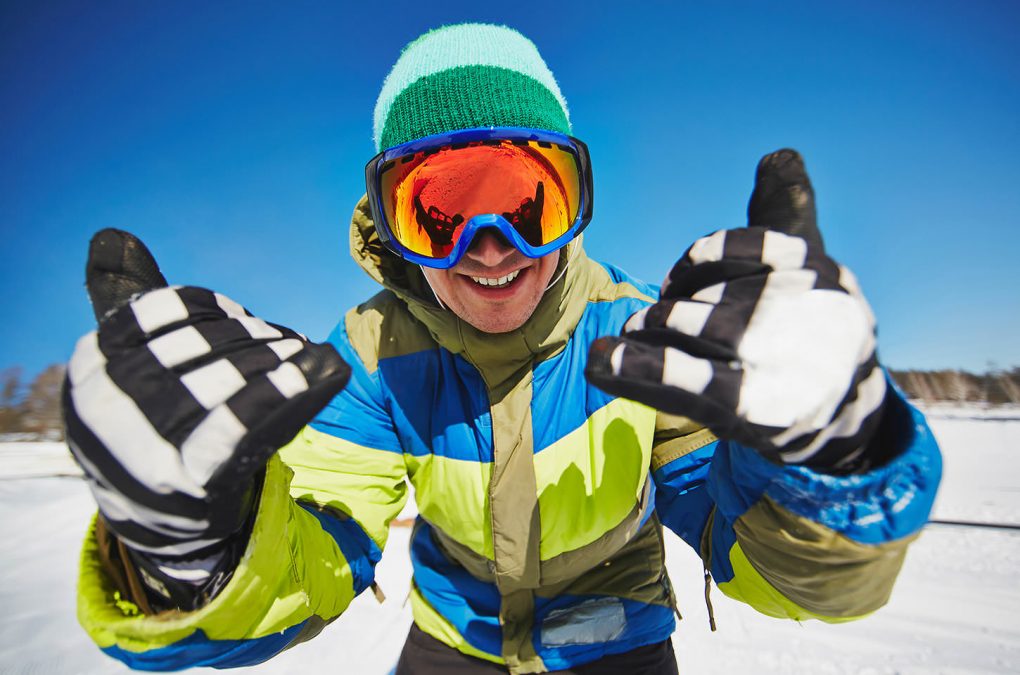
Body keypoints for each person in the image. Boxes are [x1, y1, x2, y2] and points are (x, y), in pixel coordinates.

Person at [63, 23, 942, 675]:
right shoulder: (370, 356)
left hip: (620, 640)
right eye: (440, 209)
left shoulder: (639, 336)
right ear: (393, 229)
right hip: (456, 641)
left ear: (574, 205)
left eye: (527, 201)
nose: (491, 246)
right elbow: (323, 545)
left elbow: (761, 553)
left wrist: (832, 460)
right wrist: (190, 555)